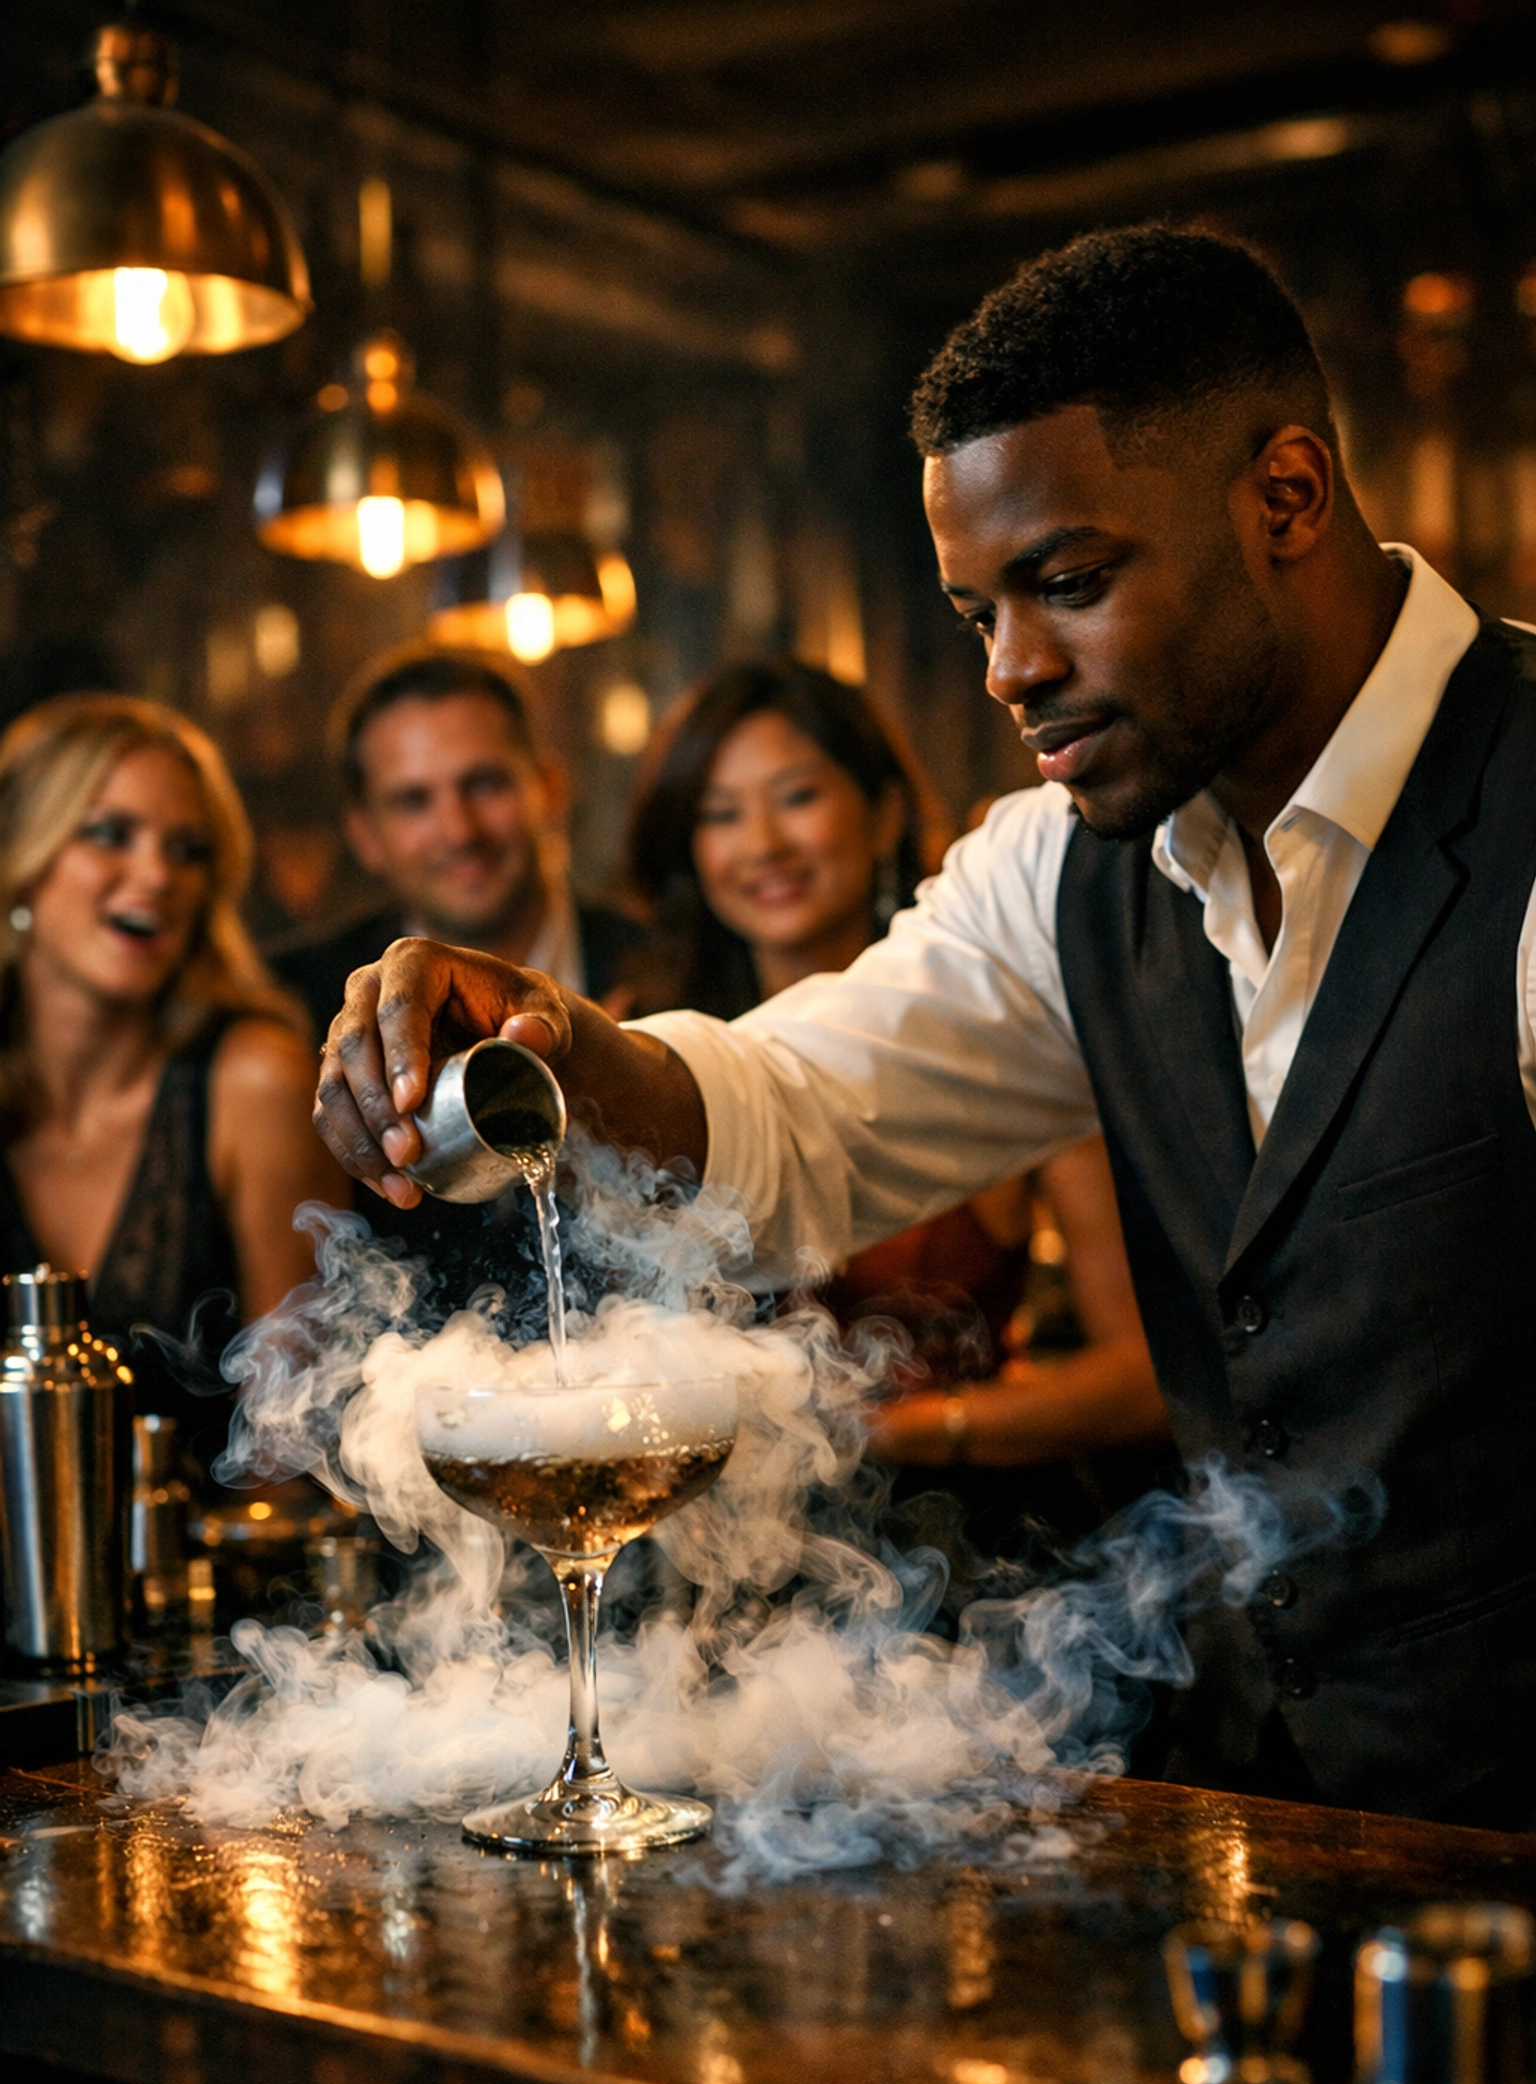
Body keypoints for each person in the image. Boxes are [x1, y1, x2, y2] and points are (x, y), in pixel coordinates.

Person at [313, 225, 1536, 1831]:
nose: (1015, 671)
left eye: (1070, 585)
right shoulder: (1065, 870)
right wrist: (561, 1041)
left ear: (1286, 500)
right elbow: (805, 1114)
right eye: (976, 618)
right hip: (1271, 1818)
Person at [622, 656, 1167, 1541]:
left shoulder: (1002, 1037)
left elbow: (1142, 1373)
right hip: (704, 1547)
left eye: (796, 797)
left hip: (956, 1540)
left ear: (880, 815)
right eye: (720, 814)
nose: (762, 843)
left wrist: (897, 1432)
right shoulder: (648, 1061)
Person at [0, 693, 342, 1456]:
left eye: (187, 850)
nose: (156, 874)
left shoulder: (253, 1080)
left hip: (214, 1572)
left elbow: (300, 1440)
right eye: (110, 834)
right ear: (22, 861)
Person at [271, 648, 639, 1034]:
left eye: (484, 784)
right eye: (413, 802)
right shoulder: (292, 1009)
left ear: (551, 793)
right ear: (364, 835)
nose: (460, 832)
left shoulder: (672, 970)